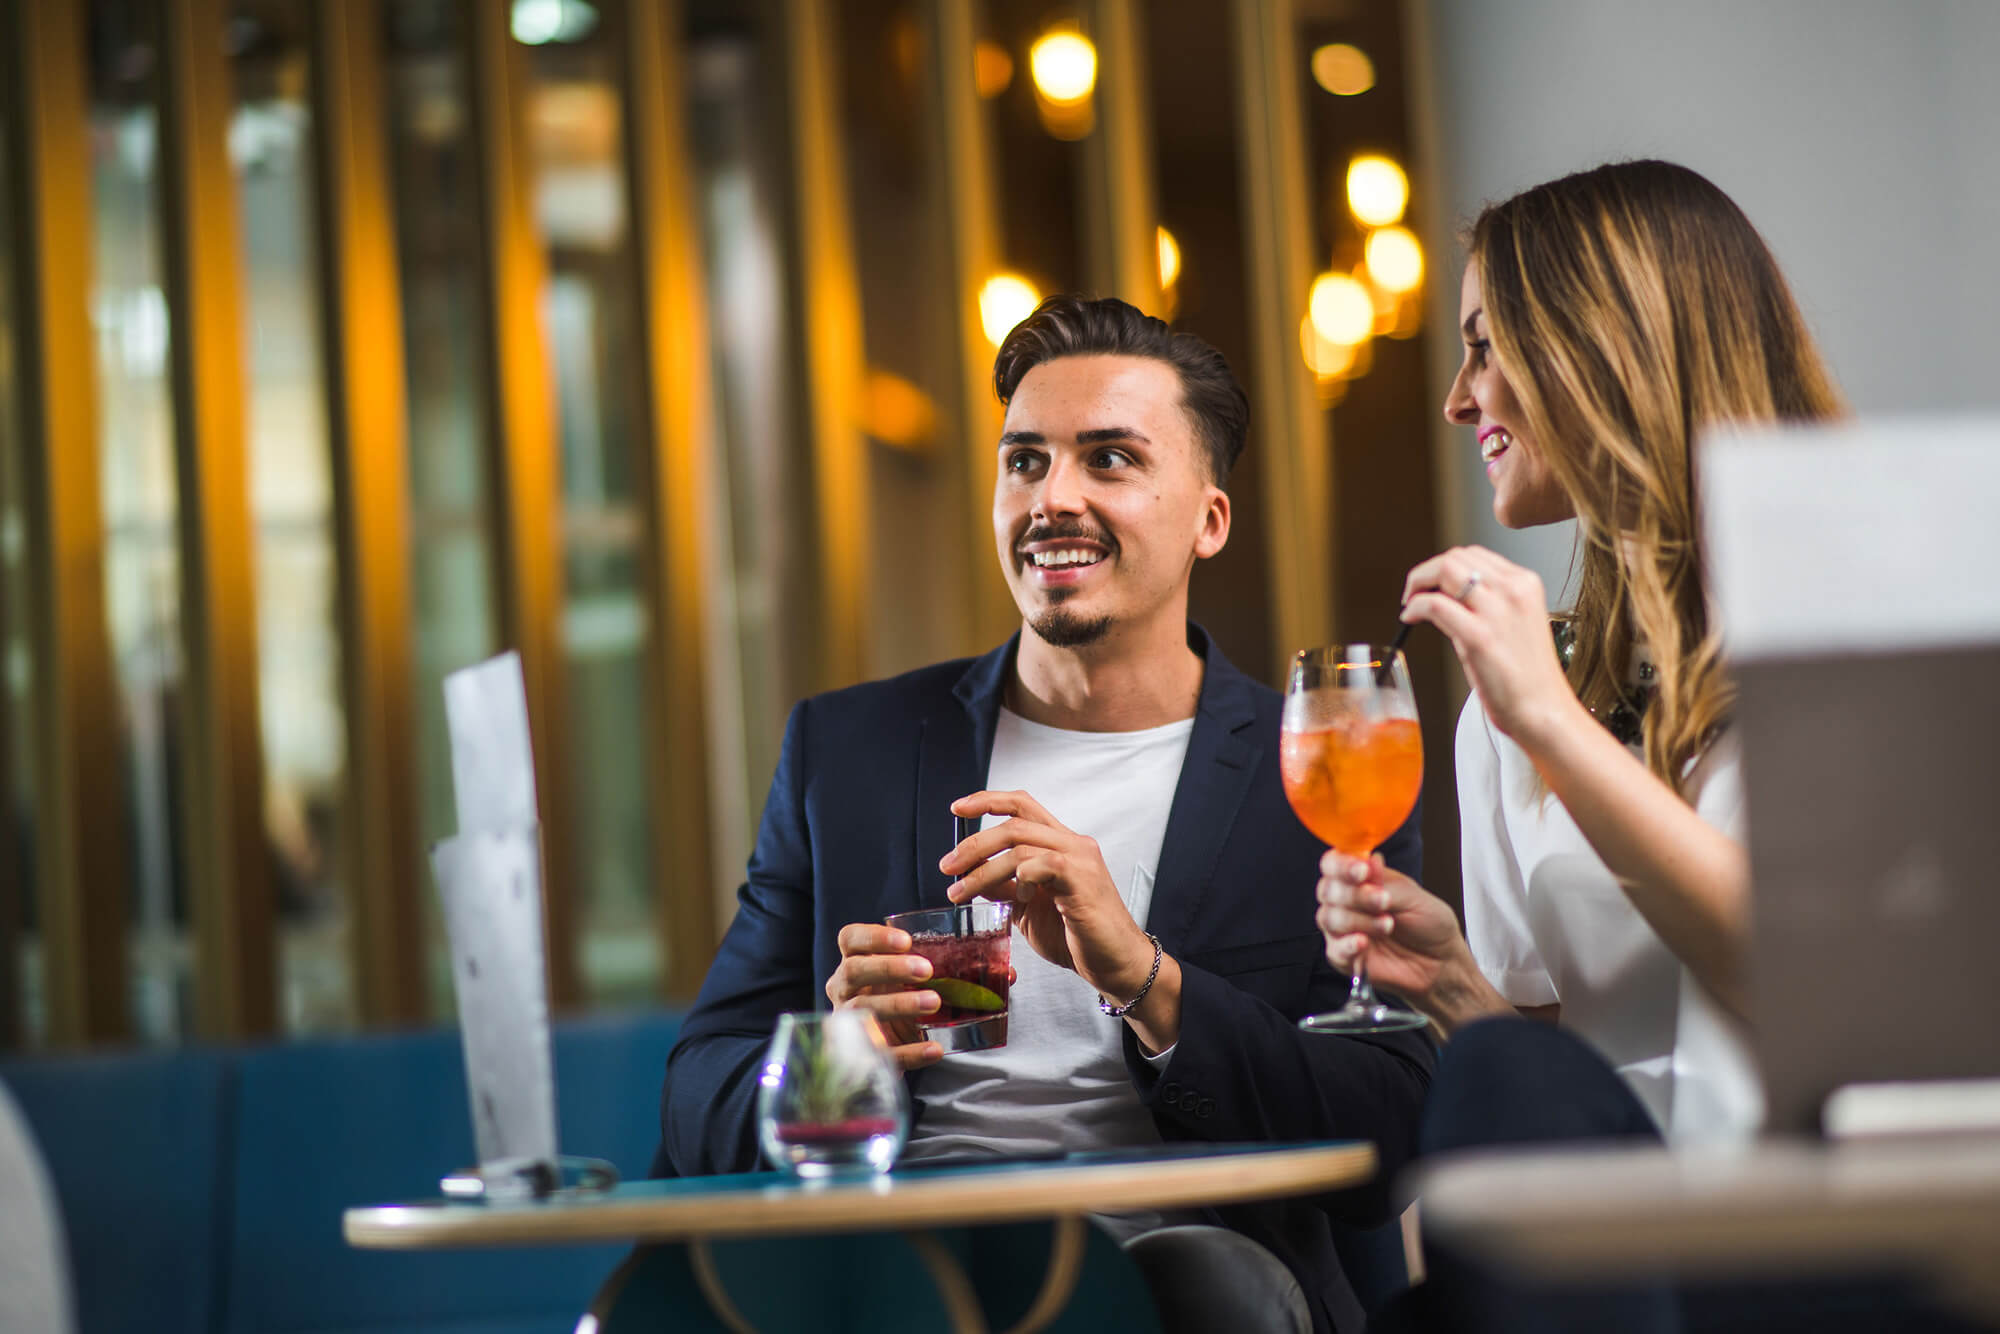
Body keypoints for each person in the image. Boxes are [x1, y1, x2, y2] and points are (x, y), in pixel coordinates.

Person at [657, 295, 1432, 1334]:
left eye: (1108, 459)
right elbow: (695, 1095)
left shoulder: (1316, 772)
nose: (1051, 498)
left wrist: (1143, 978)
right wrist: (837, 1057)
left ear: (1208, 517)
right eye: (1024, 461)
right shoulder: (847, 751)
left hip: (1178, 1283)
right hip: (895, 1280)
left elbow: (1385, 1126)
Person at [1317, 160, 1883, 1329]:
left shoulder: (1856, 630)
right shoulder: (1518, 698)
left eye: (1485, 345)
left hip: (1825, 1218)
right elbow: (1544, 1074)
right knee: (1496, 1070)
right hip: (1612, 1251)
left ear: (1601, 344)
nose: (1455, 396)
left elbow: (1816, 990)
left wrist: (1551, 727)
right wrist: (1454, 984)